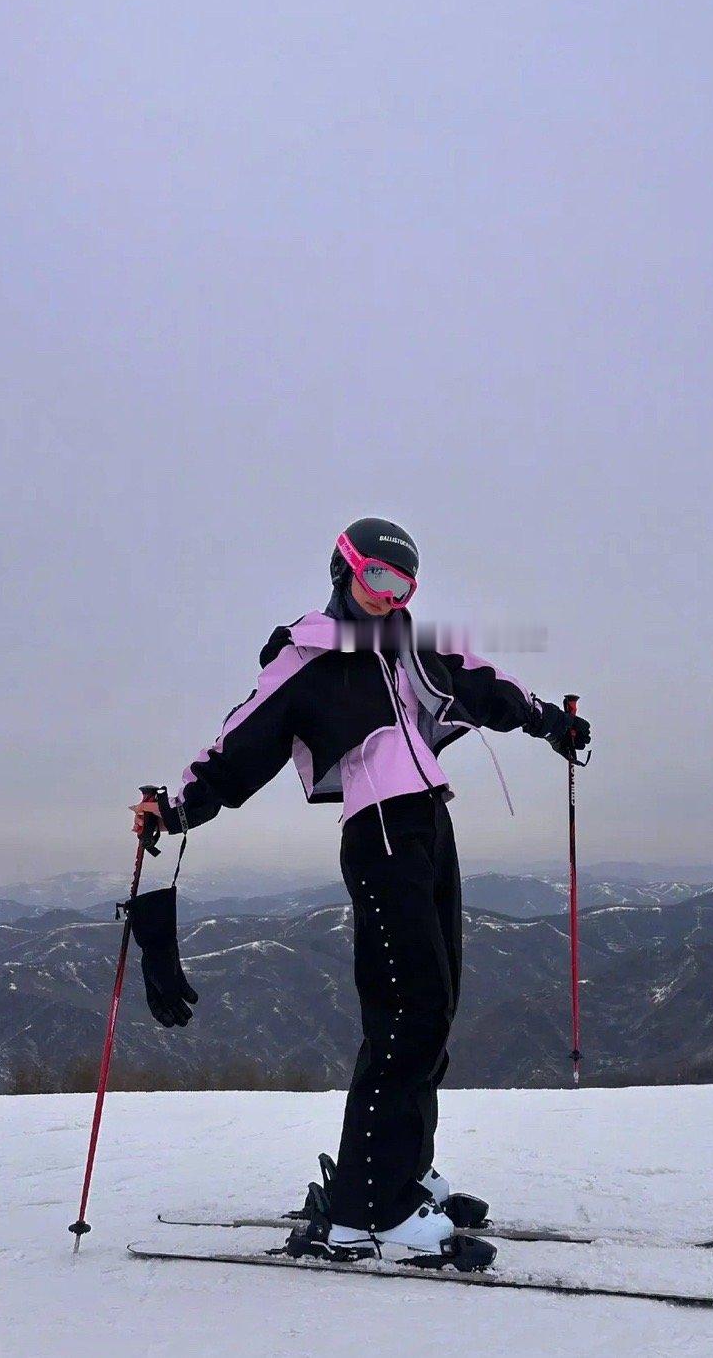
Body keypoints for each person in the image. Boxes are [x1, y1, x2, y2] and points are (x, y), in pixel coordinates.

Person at [129, 517, 590, 1270]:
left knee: (433, 1003)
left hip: (427, 824)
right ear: (344, 571)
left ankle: (400, 1169)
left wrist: (550, 726)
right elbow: (243, 738)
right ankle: (371, 1209)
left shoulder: (414, 645)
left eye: (404, 584)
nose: (390, 596)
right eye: (376, 578)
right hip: (377, 830)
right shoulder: (310, 653)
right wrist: (176, 805)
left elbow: (487, 686)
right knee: (409, 1007)